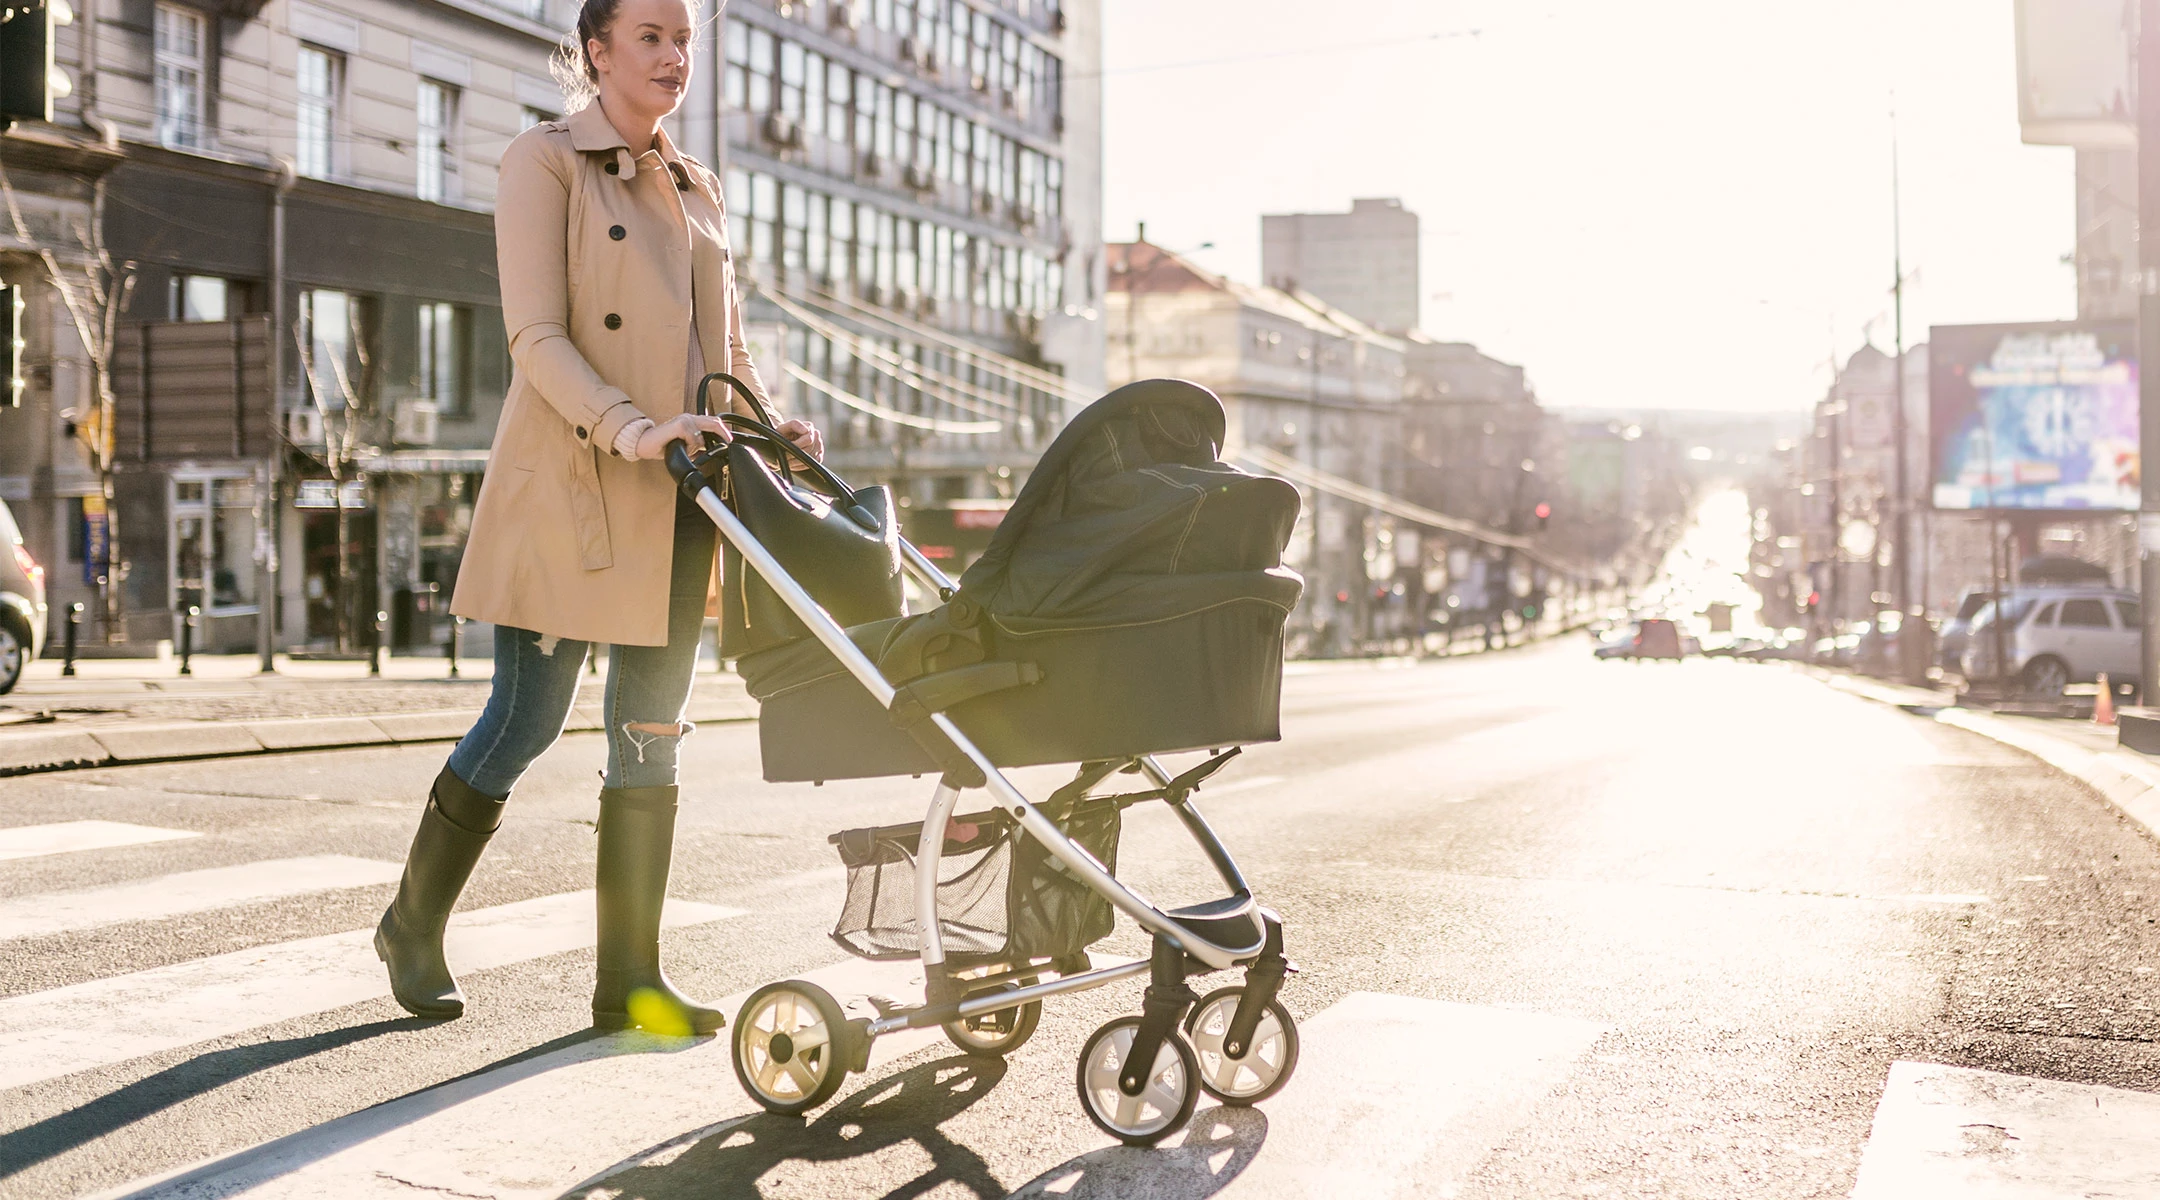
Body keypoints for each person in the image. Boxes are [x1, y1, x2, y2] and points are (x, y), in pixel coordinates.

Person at [374, 0, 822, 1035]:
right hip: (576, 484)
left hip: (678, 497)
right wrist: (628, 429)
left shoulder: (698, 185)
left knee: (650, 738)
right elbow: (535, 336)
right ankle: (410, 923)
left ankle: (630, 980)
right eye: (653, 37)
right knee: (524, 723)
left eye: (685, 42)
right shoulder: (544, 163)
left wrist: (764, 426)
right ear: (597, 50)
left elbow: (726, 354)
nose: (675, 58)